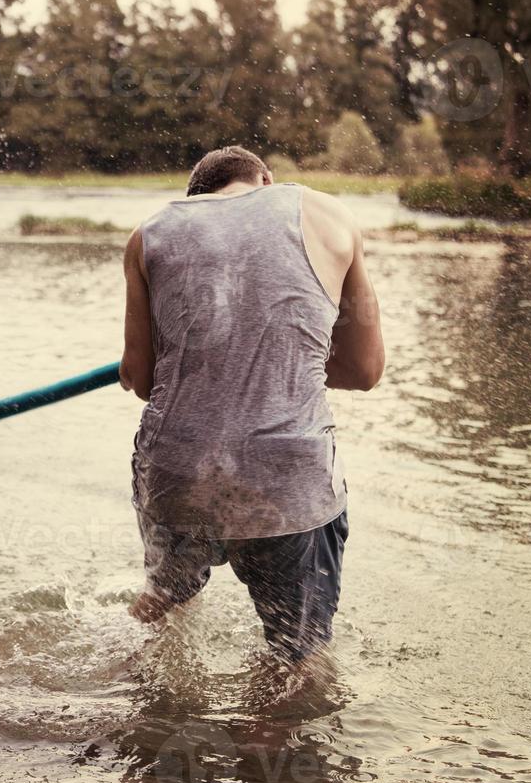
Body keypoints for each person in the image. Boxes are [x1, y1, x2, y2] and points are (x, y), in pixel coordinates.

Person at [119, 146, 384, 663]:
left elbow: (143, 380)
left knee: (163, 611)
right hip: (286, 478)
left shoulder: (148, 235)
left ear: (196, 198)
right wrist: (288, 359)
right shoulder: (329, 214)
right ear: (266, 179)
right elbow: (364, 370)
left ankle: (147, 717)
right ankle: (265, 735)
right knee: (299, 662)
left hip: (176, 473)